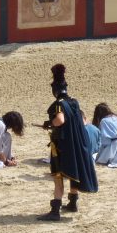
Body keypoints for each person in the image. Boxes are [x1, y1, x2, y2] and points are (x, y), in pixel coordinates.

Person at [37, 64, 98, 221]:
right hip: (76, 143)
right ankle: (72, 203)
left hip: (62, 146)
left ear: (55, 90)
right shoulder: (74, 102)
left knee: (58, 177)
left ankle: (55, 211)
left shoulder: (59, 104)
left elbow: (60, 120)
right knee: (73, 172)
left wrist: (49, 123)